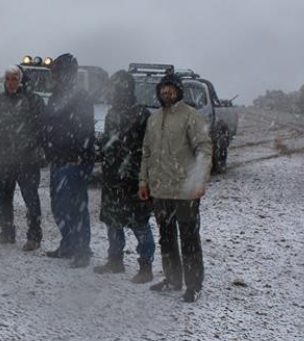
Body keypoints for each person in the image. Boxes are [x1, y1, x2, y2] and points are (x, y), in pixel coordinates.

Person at [138, 72, 213, 303]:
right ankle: (172, 279)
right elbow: (147, 152)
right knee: (166, 237)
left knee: (189, 238)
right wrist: (143, 181)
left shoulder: (191, 116)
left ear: (179, 91)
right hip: (160, 190)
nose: (166, 92)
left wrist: (199, 180)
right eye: (163, 88)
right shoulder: (154, 119)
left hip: (185, 190)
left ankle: (193, 285)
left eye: (171, 88)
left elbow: (204, 148)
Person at [94, 71, 155, 282]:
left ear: (127, 89)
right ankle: (115, 260)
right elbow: (109, 144)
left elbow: (148, 148)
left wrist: (142, 177)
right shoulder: (111, 113)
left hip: (133, 179)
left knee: (139, 223)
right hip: (111, 177)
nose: (113, 91)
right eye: (112, 87)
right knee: (112, 221)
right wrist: (99, 148)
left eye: (117, 87)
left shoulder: (142, 114)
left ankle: (146, 266)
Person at [41, 53, 96, 267]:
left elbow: (83, 130)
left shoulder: (80, 96)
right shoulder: (56, 95)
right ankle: (68, 243)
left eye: (56, 71)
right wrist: (48, 146)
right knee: (58, 205)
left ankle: (82, 249)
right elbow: (48, 123)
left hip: (74, 160)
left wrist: (79, 157)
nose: (53, 75)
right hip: (57, 159)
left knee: (76, 206)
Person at [0, 65, 44, 250]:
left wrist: (29, 147)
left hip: (27, 160)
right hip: (5, 159)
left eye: (15, 79)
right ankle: (6, 232)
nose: (12, 82)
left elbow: (41, 128)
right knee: (2, 198)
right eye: (9, 79)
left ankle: (34, 237)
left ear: (21, 80)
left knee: (31, 199)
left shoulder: (33, 100)